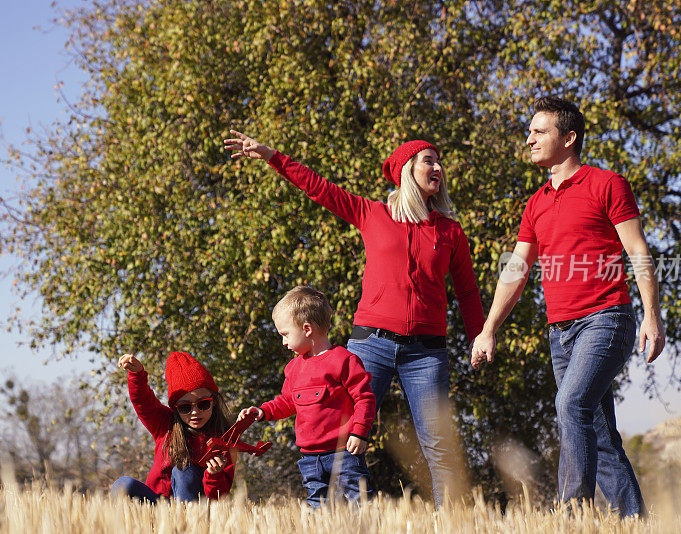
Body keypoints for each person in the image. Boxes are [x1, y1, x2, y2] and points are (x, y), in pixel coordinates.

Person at [225, 131, 484, 507]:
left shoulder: (449, 231)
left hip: (426, 352)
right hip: (372, 344)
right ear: (407, 169)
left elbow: (467, 291)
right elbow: (318, 187)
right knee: (341, 431)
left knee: (438, 442)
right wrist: (271, 156)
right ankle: (339, 513)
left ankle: (451, 522)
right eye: (429, 160)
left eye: (439, 161)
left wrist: (480, 334)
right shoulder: (372, 213)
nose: (438, 167)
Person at [470, 96, 665, 517]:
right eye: (530, 131)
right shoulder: (536, 201)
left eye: (539, 132)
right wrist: (488, 329)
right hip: (561, 332)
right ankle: (634, 521)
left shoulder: (607, 183)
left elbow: (638, 250)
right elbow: (517, 269)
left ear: (569, 138)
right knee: (597, 431)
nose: (529, 139)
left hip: (606, 319)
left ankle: (571, 511)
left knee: (569, 404)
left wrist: (652, 315)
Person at [238, 286, 376, 508]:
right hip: (310, 457)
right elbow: (287, 402)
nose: (283, 342)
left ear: (307, 329)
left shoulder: (344, 361)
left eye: (285, 334)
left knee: (359, 502)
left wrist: (359, 432)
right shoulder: (293, 368)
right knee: (317, 507)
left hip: (344, 453)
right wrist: (263, 411)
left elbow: (365, 398)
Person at [111, 351, 235, 503]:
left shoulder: (223, 438)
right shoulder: (164, 424)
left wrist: (214, 475)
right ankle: (135, 524)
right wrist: (137, 374)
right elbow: (143, 402)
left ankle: (185, 521)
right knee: (123, 484)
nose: (195, 412)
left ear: (214, 401)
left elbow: (219, 497)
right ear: (176, 408)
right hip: (159, 506)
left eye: (203, 404)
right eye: (185, 407)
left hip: (193, 510)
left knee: (184, 470)